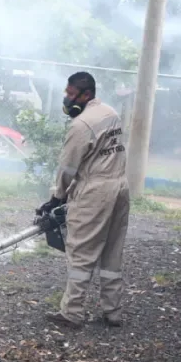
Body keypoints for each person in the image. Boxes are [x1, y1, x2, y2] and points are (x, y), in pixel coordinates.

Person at [36, 71, 130, 329]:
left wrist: (56, 198)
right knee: (112, 251)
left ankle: (72, 313)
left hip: (95, 192)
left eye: (70, 95)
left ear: (85, 95)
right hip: (120, 187)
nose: (67, 100)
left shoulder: (81, 125)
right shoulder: (111, 113)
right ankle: (113, 312)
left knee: (81, 251)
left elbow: (67, 169)